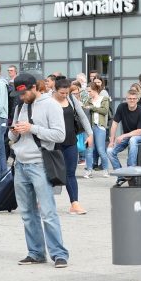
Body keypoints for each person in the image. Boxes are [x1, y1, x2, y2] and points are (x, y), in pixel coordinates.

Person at [9, 74, 70, 268]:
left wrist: (32, 128)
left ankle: (59, 254)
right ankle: (35, 252)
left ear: (35, 87)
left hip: (40, 164)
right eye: (19, 94)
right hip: (20, 164)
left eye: (25, 92)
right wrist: (14, 131)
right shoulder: (21, 106)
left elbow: (60, 135)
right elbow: (13, 137)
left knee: (48, 211)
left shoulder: (51, 105)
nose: (22, 97)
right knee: (27, 213)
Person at [52, 79, 93, 214]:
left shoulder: (70, 99)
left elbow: (82, 116)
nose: (64, 95)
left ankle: (74, 203)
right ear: (55, 90)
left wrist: (90, 133)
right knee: (51, 173)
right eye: (62, 93)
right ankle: (43, 201)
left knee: (70, 173)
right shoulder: (48, 100)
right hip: (52, 143)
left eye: (66, 92)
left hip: (70, 141)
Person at [107, 89, 141, 186]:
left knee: (133, 140)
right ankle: (121, 176)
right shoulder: (121, 107)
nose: (132, 100)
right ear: (126, 99)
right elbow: (114, 124)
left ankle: (130, 170)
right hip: (128, 136)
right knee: (109, 151)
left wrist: (123, 135)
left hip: (140, 135)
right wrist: (111, 141)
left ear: (137, 99)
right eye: (129, 98)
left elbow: (140, 131)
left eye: (134, 98)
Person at [83, 83, 110, 179]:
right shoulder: (88, 100)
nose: (88, 93)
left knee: (101, 149)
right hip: (89, 127)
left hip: (100, 126)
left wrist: (92, 108)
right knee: (89, 149)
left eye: (89, 91)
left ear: (95, 90)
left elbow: (105, 111)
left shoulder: (104, 99)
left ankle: (106, 169)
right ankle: (89, 170)